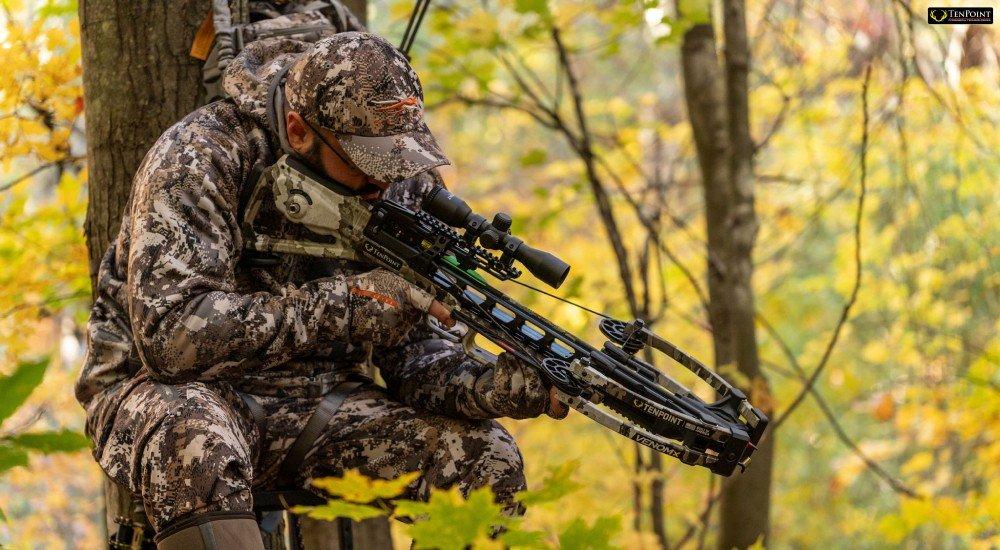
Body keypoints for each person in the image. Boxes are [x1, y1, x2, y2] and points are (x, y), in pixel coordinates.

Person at [76, 32, 565, 550]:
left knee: (483, 457)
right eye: (364, 163)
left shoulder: (400, 179)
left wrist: (487, 386)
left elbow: (416, 356)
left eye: (396, 162)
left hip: (321, 404)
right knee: (194, 440)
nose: (384, 184)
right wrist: (349, 307)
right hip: (164, 394)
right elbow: (172, 340)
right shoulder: (199, 156)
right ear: (298, 130)